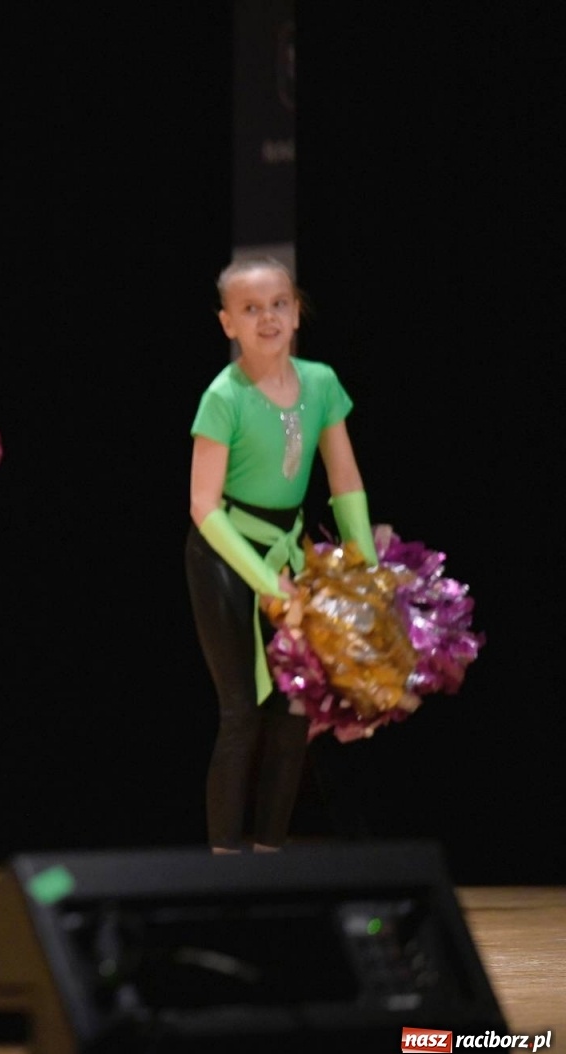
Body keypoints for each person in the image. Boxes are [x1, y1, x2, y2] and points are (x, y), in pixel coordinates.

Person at [186, 255, 377, 855]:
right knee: (241, 711)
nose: (267, 317)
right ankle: (223, 862)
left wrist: (365, 569)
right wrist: (267, 582)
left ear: (296, 312)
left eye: (278, 304)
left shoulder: (320, 382)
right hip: (226, 556)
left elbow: (344, 481)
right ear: (227, 324)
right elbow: (203, 507)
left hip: (289, 551)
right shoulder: (223, 395)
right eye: (251, 308)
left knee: (296, 709)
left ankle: (270, 856)